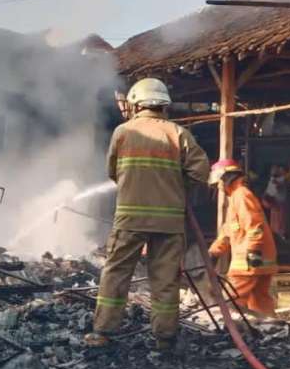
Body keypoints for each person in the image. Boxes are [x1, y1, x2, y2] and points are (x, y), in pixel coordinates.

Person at [84, 79, 210, 348]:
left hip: (130, 217)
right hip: (169, 220)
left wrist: (135, 187)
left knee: (116, 273)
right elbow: (200, 172)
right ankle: (164, 338)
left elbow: (112, 171)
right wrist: (175, 188)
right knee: (165, 279)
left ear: (136, 103)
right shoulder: (179, 134)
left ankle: (103, 332)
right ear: (163, 105)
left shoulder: (123, 132)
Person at [208, 160, 278, 316]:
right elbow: (229, 232)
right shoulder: (236, 197)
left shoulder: (241, 194)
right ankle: (269, 326)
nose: (218, 187)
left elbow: (255, 226)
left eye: (219, 182)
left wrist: (252, 255)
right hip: (260, 259)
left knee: (233, 300)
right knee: (259, 300)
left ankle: (231, 330)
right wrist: (214, 252)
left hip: (249, 260)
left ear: (226, 178)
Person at [262, 165, 288, 240]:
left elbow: (279, 185)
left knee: (281, 220)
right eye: (272, 170)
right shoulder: (273, 178)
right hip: (274, 201)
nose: (274, 171)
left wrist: (275, 183)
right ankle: (274, 235)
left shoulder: (283, 178)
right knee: (274, 219)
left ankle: (282, 236)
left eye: (277, 170)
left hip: (281, 202)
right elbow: (270, 189)